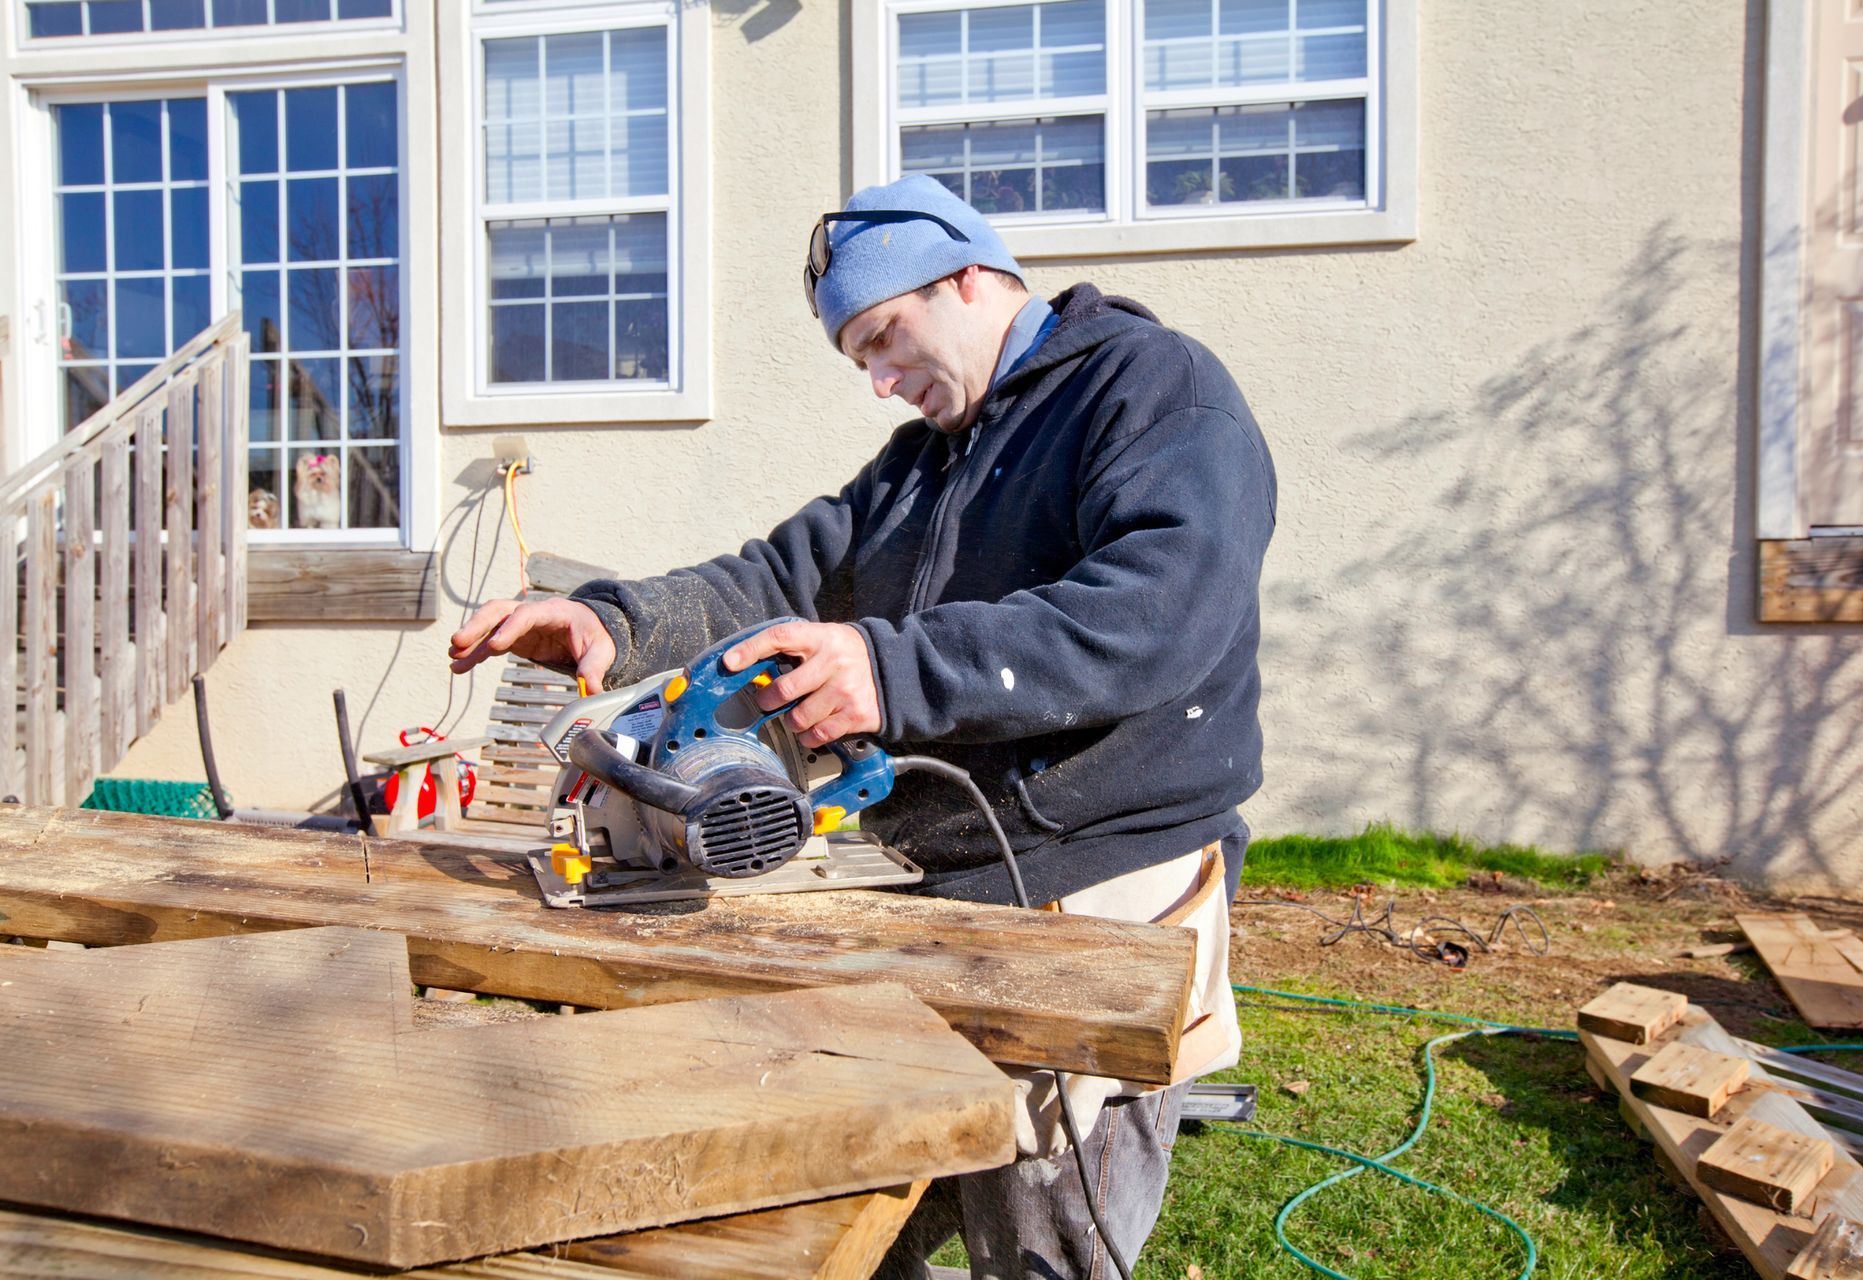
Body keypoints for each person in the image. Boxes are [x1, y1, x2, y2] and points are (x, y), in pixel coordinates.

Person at [448, 174, 1276, 1279]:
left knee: (1043, 1237)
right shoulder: (925, 461)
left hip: (1104, 883)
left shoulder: (1153, 388)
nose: (883, 381)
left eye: (886, 338)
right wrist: (611, 618)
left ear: (972, 277)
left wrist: (892, 667)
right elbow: (778, 578)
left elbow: (1157, 610)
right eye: (861, 360)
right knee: (837, 1205)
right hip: (942, 873)